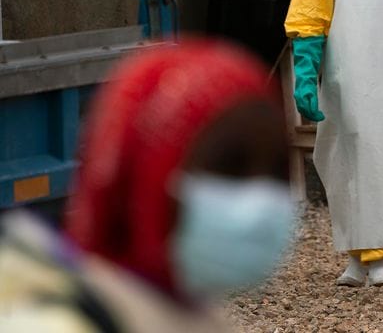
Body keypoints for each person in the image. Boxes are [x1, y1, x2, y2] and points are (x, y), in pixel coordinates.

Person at [0, 40, 294, 332]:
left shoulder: (183, 315)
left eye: (278, 171)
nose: (261, 200)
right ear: (147, 178)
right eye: (230, 168)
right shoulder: (52, 324)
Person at [284, 0, 383, 288]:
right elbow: (310, 13)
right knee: (341, 161)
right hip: (343, 82)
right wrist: (306, 72)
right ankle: (355, 256)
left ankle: (380, 260)